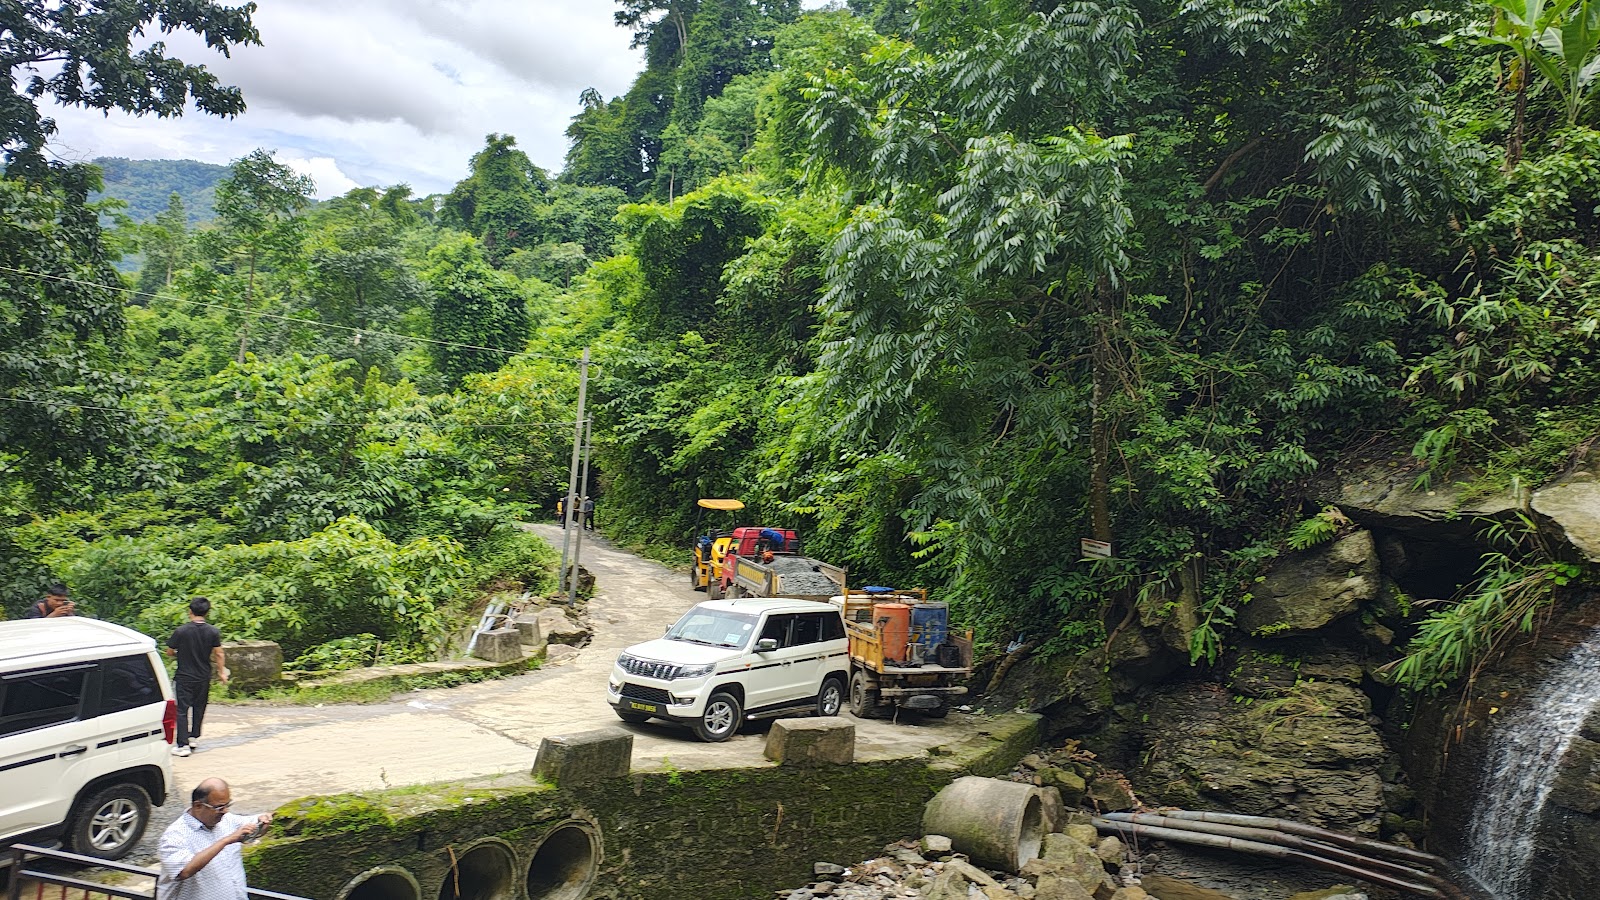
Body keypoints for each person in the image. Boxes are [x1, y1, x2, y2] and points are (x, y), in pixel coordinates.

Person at [158, 777, 271, 900]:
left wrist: (263, 823)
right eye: (219, 808)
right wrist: (226, 840)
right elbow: (183, 871)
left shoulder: (228, 820)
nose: (225, 811)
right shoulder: (175, 835)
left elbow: (254, 826)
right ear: (198, 806)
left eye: (228, 805)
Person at [167, 597, 227, 757]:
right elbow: (219, 653)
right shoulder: (213, 631)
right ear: (207, 612)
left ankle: (182, 745)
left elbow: (170, 651)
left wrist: (176, 654)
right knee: (199, 707)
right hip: (203, 676)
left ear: (190, 612)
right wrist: (222, 672)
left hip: (184, 676)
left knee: (181, 710)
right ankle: (193, 737)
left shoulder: (181, 631)